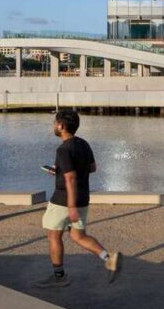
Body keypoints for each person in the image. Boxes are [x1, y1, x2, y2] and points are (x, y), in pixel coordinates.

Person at [35, 109, 121, 288]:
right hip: (83, 197)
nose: (53, 125)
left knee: (53, 235)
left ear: (61, 126)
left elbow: (71, 177)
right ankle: (108, 258)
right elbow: (92, 168)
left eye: (54, 122)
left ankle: (59, 277)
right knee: (78, 235)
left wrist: (71, 205)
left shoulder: (63, 149)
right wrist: (59, 171)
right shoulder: (83, 143)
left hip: (64, 200)